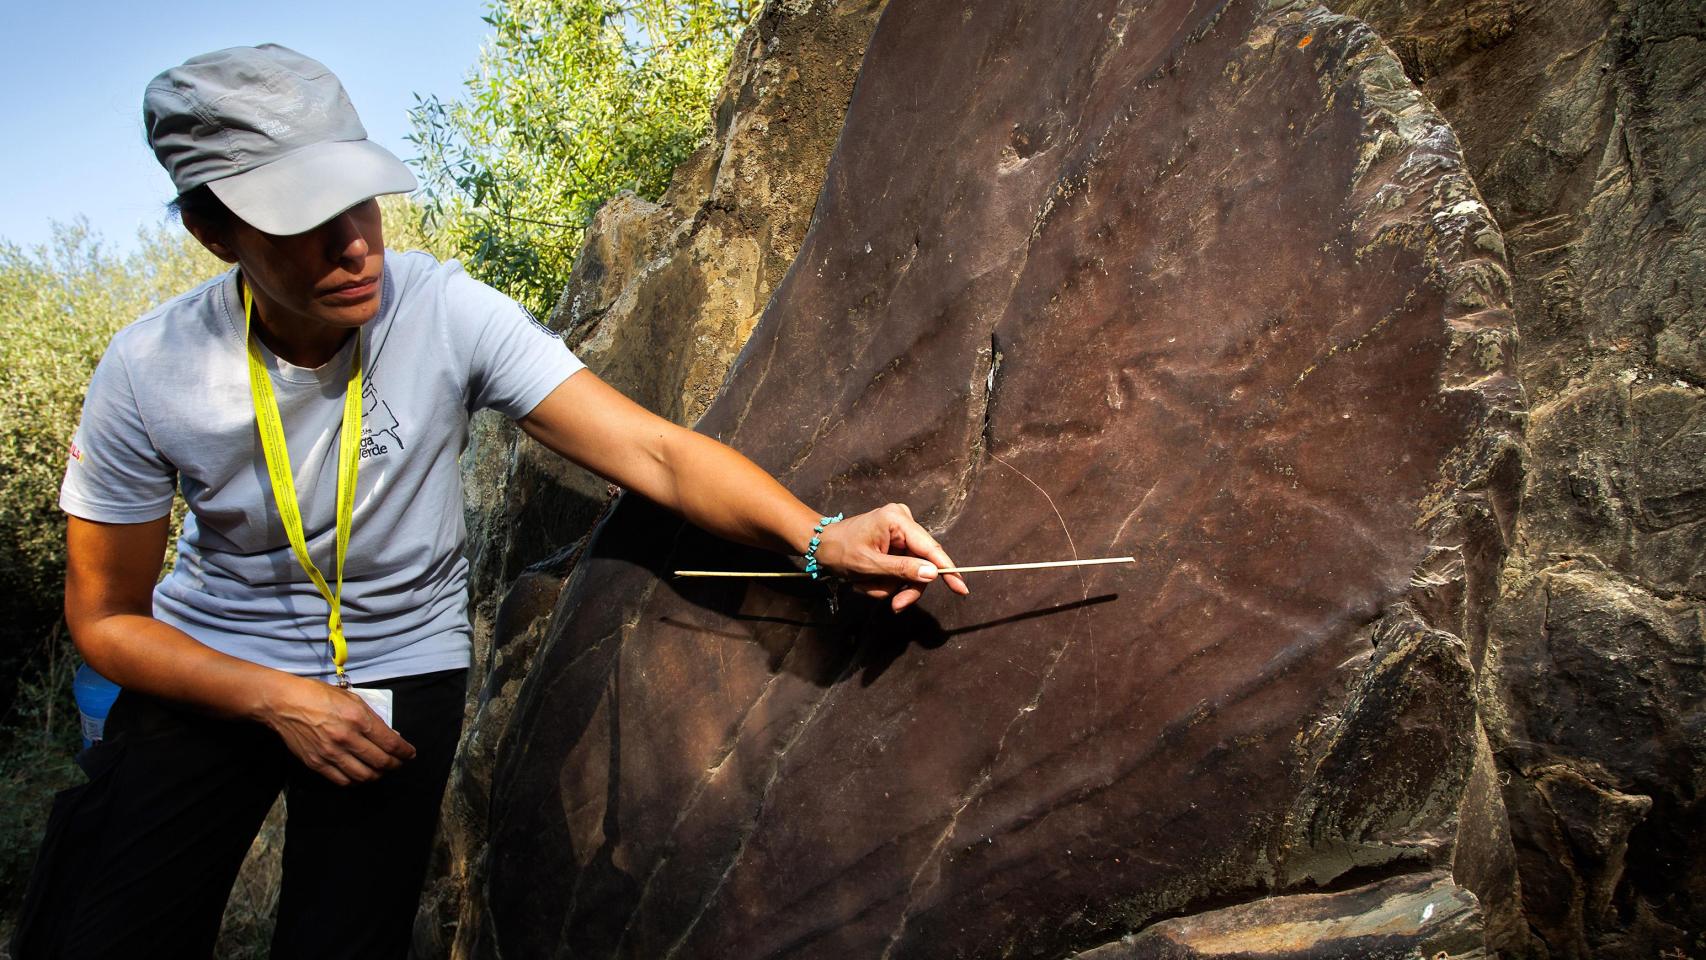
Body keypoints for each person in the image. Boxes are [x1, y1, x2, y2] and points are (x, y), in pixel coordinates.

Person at [15, 44, 967, 959]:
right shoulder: (150, 371)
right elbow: (103, 619)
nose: (355, 245)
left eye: (361, 202)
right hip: (215, 662)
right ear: (213, 231)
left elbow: (653, 451)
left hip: (398, 662)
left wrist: (818, 536)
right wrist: (276, 699)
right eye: (304, 220)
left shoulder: (441, 311)